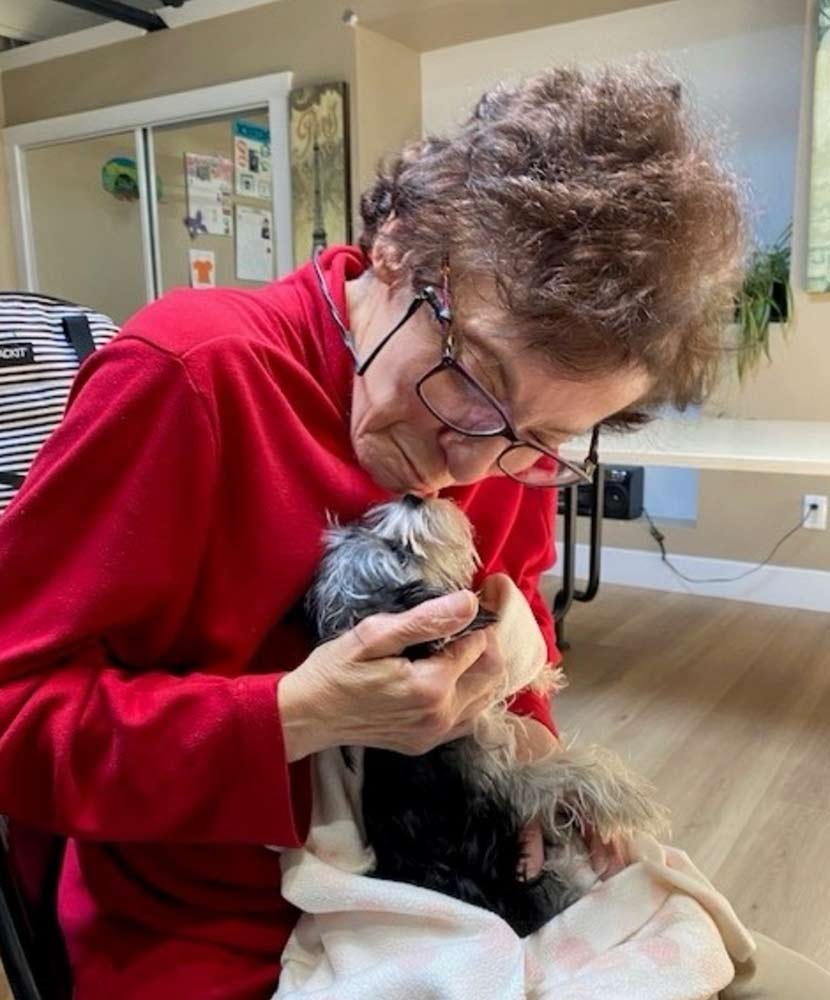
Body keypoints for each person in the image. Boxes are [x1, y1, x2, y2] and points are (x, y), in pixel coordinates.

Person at [0, 64, 825, 1000]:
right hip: (214, 928)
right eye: (472, 377)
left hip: (456, 882)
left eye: (546, 439)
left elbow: (518, 629)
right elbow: (14, 720)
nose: (470, 468)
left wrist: (532, 747)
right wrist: (296, 716)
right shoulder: (190, 377)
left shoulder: (506, 442)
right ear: (395, 247)